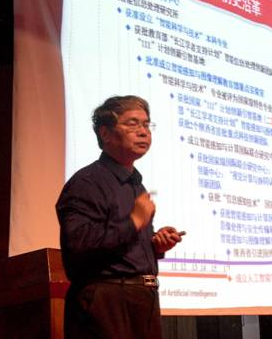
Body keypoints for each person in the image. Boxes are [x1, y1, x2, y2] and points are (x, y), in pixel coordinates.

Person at [56, 95, 183, 339]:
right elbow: (78, 243)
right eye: (132, 124)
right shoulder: (87, 182)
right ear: (105, 133)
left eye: (146, 125)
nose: (143, 132)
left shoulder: (135, 184)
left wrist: (156, 245)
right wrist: (134, 221)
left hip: (142, 298)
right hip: (107, 300)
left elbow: (124, 244)